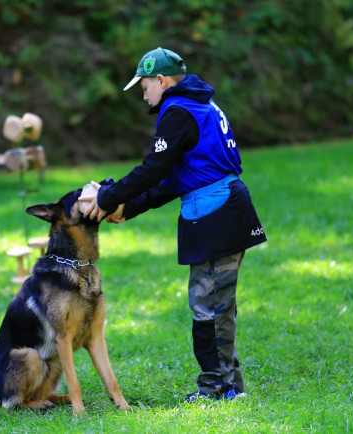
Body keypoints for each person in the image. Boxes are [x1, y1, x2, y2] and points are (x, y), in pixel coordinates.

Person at [79, 48, 267, 402]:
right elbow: (173, 178)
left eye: (145, 85)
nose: (143, 93)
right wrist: (128, 207)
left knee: (206, 308)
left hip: (217, 213)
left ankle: (216, 389)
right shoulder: (198, 104)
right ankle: (230, 386)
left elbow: (154, 168)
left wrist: (106, 197)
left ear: (161, 81)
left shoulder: (177, 110)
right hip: (226, 208)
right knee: (218, 305)